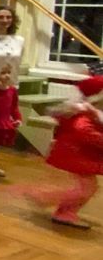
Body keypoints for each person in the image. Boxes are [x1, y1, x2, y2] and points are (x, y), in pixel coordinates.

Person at [38, 76, 103, 229]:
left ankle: (65, 211)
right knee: (87, 188)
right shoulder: (84, 112)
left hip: (81, 154)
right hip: (76, 154)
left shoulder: (93, 112)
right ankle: (47, 199)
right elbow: (83, 131)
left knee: (88, 187)